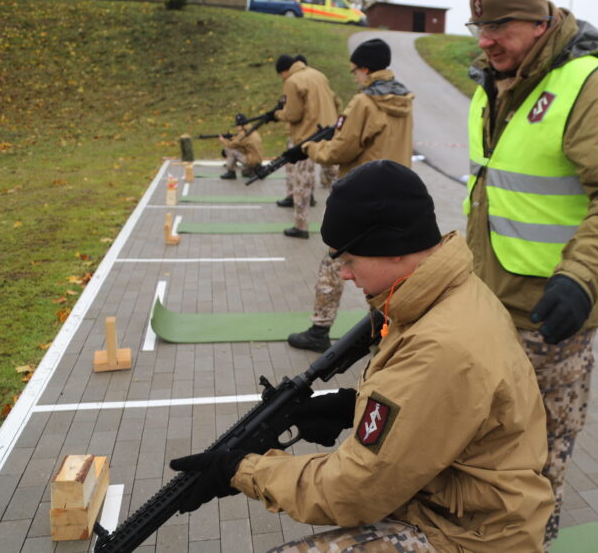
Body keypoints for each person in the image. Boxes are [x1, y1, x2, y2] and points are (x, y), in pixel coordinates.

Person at [170, 160, 555, 552]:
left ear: (391, 248)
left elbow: (353, 490)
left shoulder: (440, 344)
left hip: (468, 535)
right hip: (457, 506)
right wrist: (354, 407)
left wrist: (244, 470)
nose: (345, 274)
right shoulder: (445, 293)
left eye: (350, 260)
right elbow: (436, 409)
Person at [463, 0, 598, 545]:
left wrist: (580, 278)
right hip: (485, 308)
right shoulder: (491, 85)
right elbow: (487, 194)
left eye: (500, 29)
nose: (487, 42)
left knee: (539, 463)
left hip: (552, 318)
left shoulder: (589, 86)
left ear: (539, 22)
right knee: (481, 452)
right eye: (480, 28)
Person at [286, 38, 415, 352]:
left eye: (355, 70)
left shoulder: (363, 102)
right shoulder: (405, 100)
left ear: (366, 69)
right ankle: (382, 328)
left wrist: (309, 147)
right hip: (397, 196)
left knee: (334, 262)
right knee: (386, 269)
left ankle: (319, 329)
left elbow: (340, 150)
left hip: (362, 198)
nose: (355, 76)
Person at [272, 54, 339, 238]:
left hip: (306, 138)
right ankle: (344, 220)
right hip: (329, 135)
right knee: (336, 181)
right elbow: (335, 100)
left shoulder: (292, 82)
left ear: (284, 71)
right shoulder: (319, 75)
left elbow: (293, 114)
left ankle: (301, 226)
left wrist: (278, 114)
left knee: (302, 183)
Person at [218, 113, 263, 179]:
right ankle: (252, 170)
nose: (236, 127)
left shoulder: (243, 134)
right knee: (244, 173)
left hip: (251, 160)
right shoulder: (252, 131)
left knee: (229, 149)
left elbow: (231, 145)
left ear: (241, 125)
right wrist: (232, 138)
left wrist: (223, 140)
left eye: (237, 125)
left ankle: (231, 172)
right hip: (257, 160)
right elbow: (243, 144)